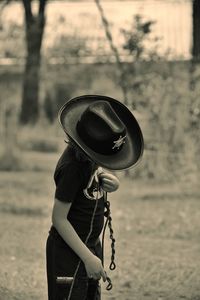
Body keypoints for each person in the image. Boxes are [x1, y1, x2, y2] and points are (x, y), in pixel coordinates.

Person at [46, 95, 143, 300]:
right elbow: (59, 219)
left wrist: (111, 181)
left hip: (89, 246)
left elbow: (95, 176)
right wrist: (88, 257)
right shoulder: (72, 167)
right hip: (68, 252)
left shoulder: (88, 159)